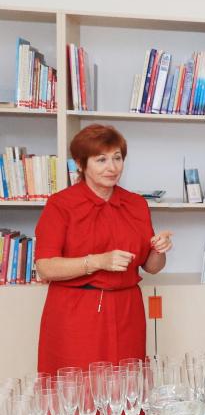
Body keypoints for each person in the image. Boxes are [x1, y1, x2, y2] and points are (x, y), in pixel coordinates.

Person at [34, 124, 174, 374]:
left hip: (127, 311)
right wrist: (98, 262)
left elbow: (151, 267)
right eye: (101, 160)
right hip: (76, 312)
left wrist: (159, 249)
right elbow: (45, 267)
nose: (112, 167)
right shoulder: (60, 204)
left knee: (126, 386)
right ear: (80, 164)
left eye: (117, 158)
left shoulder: (136, 204)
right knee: (78, 388)